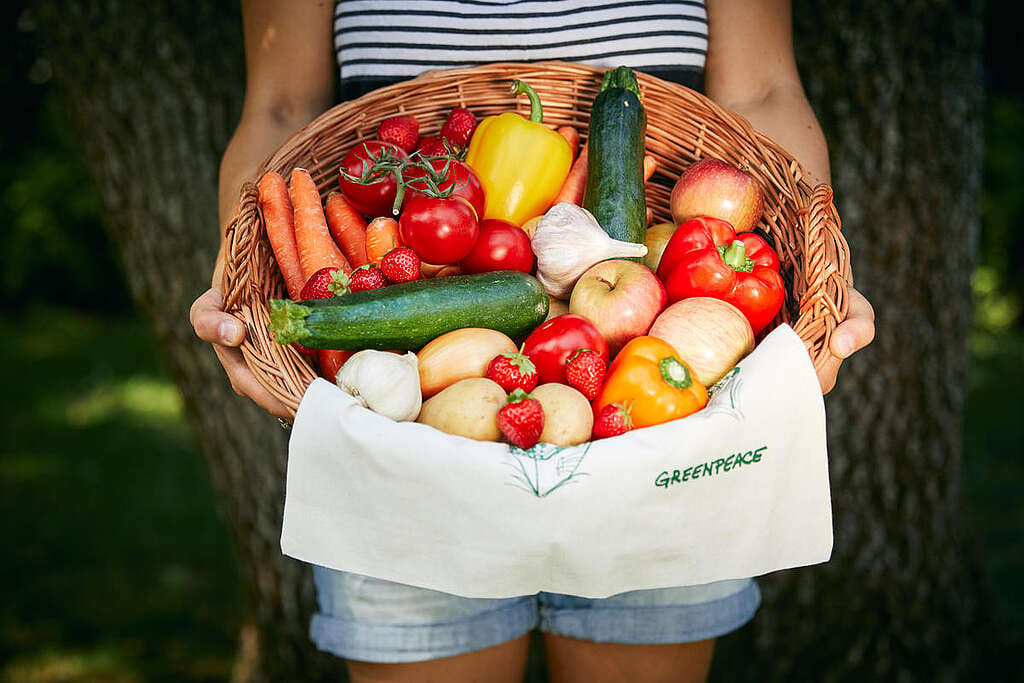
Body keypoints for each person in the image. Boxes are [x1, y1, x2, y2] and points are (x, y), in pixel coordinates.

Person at [190, 1, 876, 681]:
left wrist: (823, 267)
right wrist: (239, 268)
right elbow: (279, 108)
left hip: (666, 454)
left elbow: (765, 91)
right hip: (402, 463)